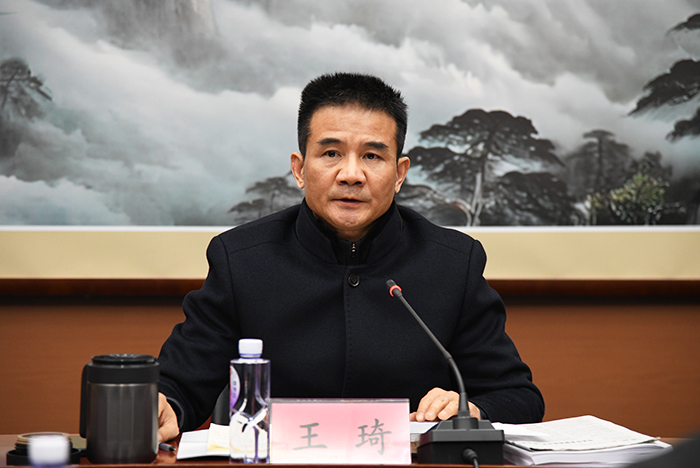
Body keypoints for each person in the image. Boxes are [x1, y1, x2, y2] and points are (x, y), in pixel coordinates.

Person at [156, 72, 544, 442]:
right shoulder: (242, 260)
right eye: (331, 153)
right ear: (299, 169)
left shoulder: (452, 263)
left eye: (372, 156)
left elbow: (517, 396)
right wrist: (166, 405)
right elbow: (179, 384)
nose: (351, 174)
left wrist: (472, 409)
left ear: (399, 173)